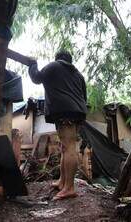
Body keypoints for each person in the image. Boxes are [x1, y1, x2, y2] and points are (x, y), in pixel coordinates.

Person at [27, 50, 87, 200]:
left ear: (58, 58)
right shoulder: (79, 75)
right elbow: (84, 97)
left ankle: (69, 188)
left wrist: (33, 64)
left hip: (65, 112)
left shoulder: (54, 66)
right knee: (65, 147)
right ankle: (62, 182)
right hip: (75, 113)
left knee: (69, 148)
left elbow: (36, 78)